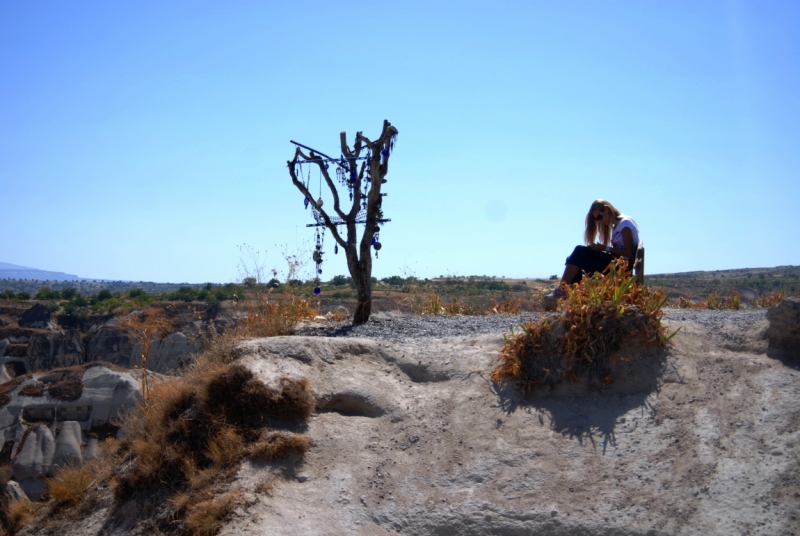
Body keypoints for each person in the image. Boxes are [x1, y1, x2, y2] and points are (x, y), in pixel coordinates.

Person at [545, 199, 640, 301]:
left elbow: (629, 253)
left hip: (621, 270)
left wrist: (604, 248)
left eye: (599, 217)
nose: (600, 221)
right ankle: (567, 294)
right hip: (616, 266)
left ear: (607, 209)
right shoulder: (617, 226)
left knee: (580, 254)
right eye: (597, 219)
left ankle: (563, 291)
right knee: (580, 254)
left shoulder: (625, 224)